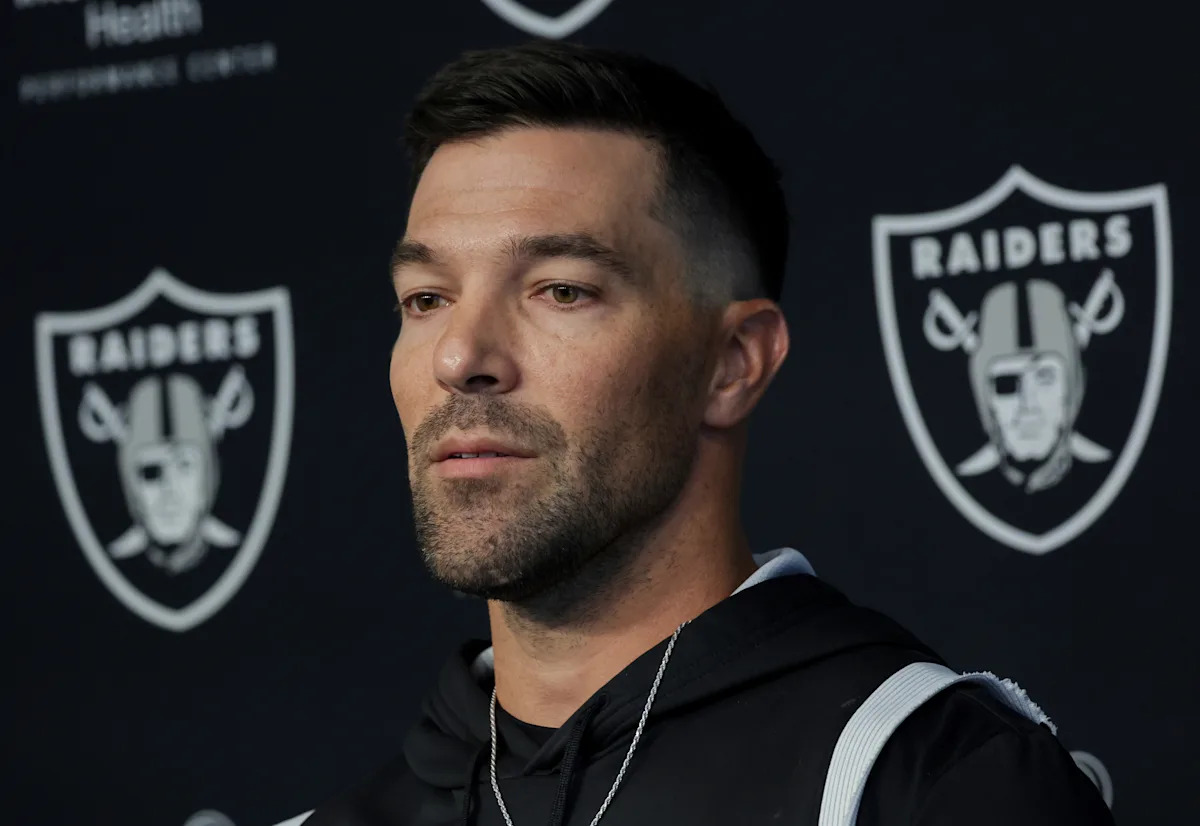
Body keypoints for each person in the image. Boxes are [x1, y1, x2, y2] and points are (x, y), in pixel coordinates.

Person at [287, 41, 1113, 826]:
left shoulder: (924, 781)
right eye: (426, 299)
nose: (460, 356)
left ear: (732, 364)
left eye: (561, 290)